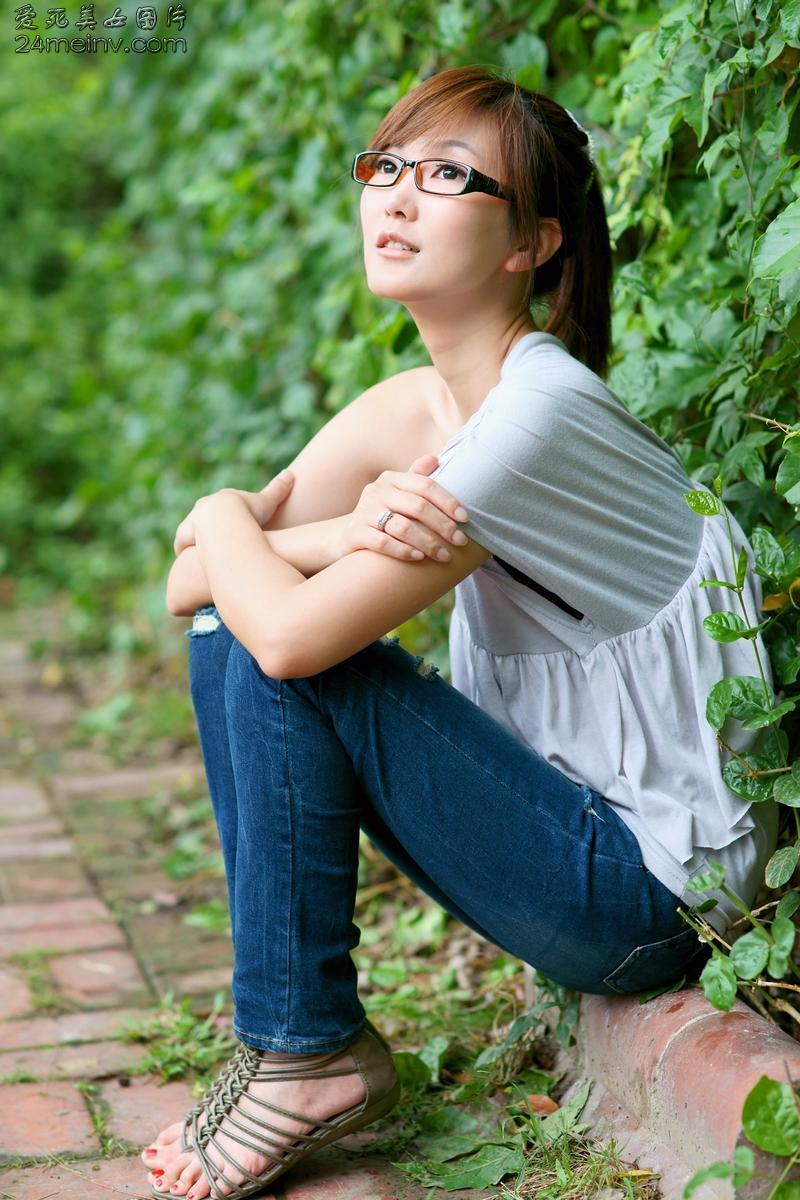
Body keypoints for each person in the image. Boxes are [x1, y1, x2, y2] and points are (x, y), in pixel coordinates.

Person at [141, 65, 778, 1200]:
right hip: (563, 845)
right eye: (384, 166)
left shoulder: (534, 419)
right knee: (233, 618)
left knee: (268, 644)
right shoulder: (411, 406)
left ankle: (305, 1048)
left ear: (529, 244)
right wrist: (303, 529)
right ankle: (301, 1039)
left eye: (444, 176)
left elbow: (275, 635)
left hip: (647, 902)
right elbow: (192, 585)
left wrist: (223, 513)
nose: (393, 197)